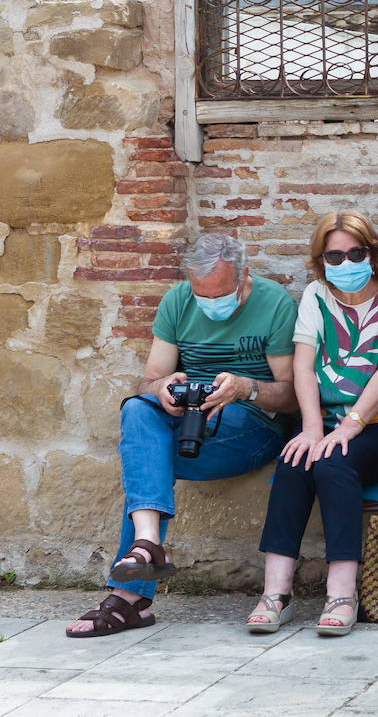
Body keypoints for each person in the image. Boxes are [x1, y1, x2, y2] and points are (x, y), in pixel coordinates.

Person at [65, 233, 299, 638]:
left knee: (145, 464)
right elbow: (148, 382)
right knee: (138, 408)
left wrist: (245, 388)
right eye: (200, 294)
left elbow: (292, 395)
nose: (210, 304)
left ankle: (129, 598)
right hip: (186, 420)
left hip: (251, 426)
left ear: (244, 275)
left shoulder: (274, 303)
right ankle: (148, 543)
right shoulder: (177, 300)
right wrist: (162, 389)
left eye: (220, 294)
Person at [246, 210, 378, 636]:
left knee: (334, 461)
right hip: (326, 421)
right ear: (321, 260)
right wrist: (312, 428)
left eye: (355, 253)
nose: (345, 264)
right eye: (334, 257)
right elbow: (304, 366)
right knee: (295, 459)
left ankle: (342, 593)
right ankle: (276, 594)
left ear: (372, 253)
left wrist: (350, 426)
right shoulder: (315, 295)